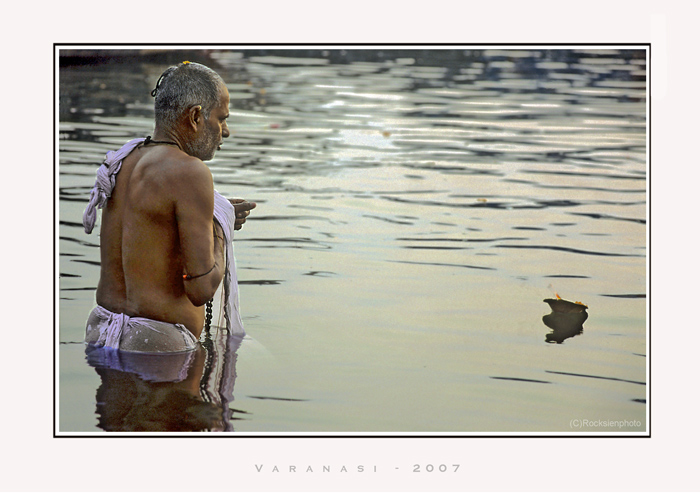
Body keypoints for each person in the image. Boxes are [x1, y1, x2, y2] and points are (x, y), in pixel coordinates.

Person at [82, 61, 256, 353]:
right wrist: (220, 230)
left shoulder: (124, 160)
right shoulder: (190, 172)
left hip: (101, 328)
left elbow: (154, 228)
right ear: (196, 116)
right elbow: (200, 289)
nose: (225, 131)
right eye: (221, 118)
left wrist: (213, 212)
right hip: (156, 343)